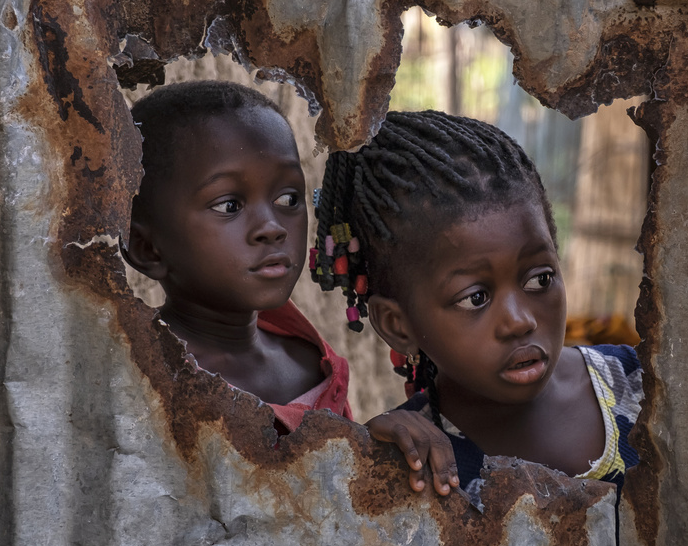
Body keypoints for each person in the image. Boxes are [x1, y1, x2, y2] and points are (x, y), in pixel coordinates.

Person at [312, 110, 642, 505]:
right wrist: (368, 459)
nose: (520, 321)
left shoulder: (641, 386)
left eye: (539, 279)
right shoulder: (420, 464)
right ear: (398, 325)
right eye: (475, 298)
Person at [123, 79, 348, 434]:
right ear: (146, 249)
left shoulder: (313, 365)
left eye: (288, 199)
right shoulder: (139, 378)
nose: (272, 227)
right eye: (229, 205)